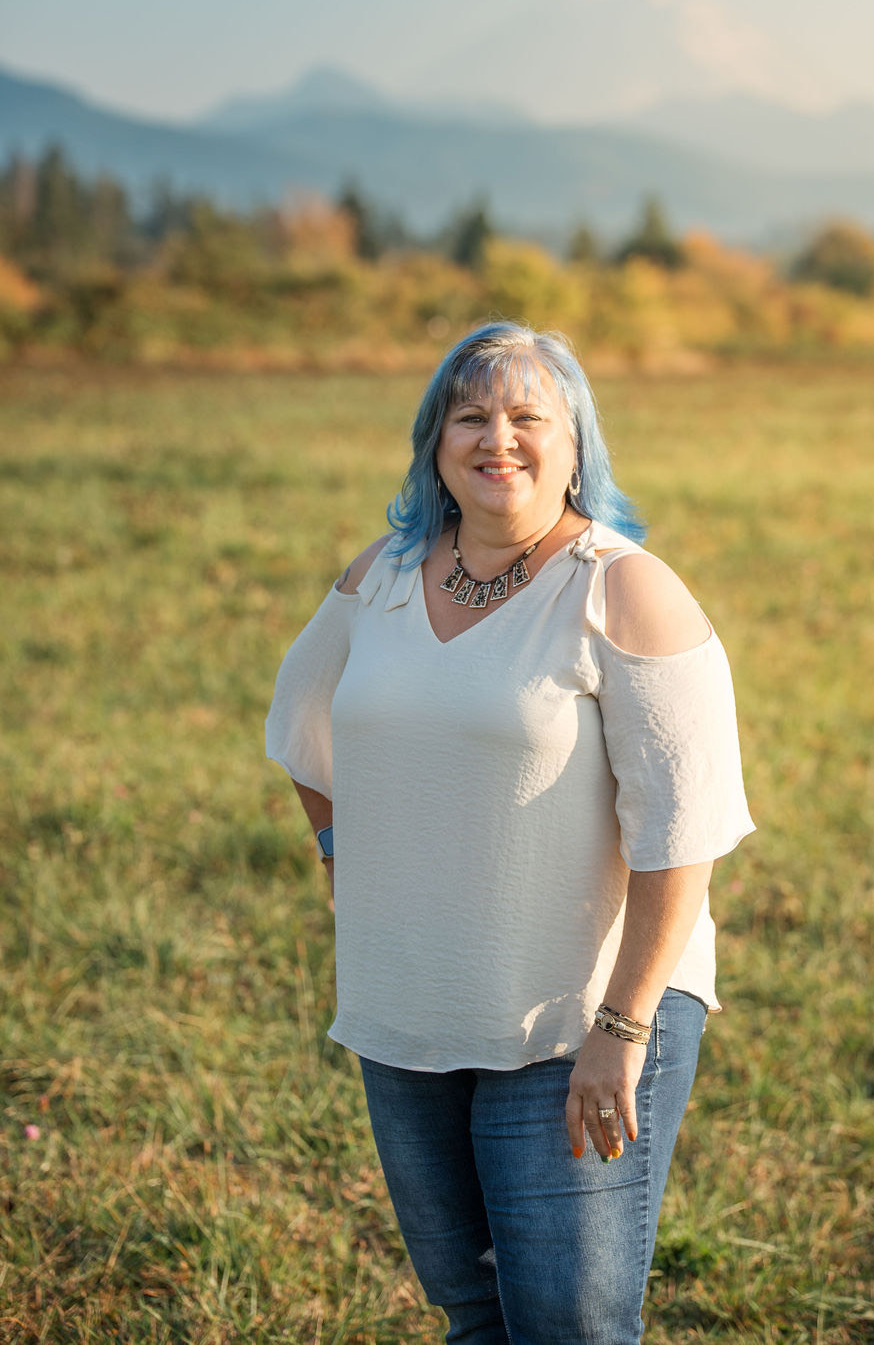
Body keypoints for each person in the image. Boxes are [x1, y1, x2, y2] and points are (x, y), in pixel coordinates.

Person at [265, 321, 754, 1344]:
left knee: (565, 1324)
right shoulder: (383, 575)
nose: (499, 439)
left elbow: (687, 827)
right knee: (473, 1309)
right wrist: (340, 851)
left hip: (578, 1017)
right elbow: (301, 724)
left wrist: (623, 1030)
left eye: (529, 416)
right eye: (470, 416)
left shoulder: (624, 590)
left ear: (575, 447)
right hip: (407, 1005)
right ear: (435, 443)